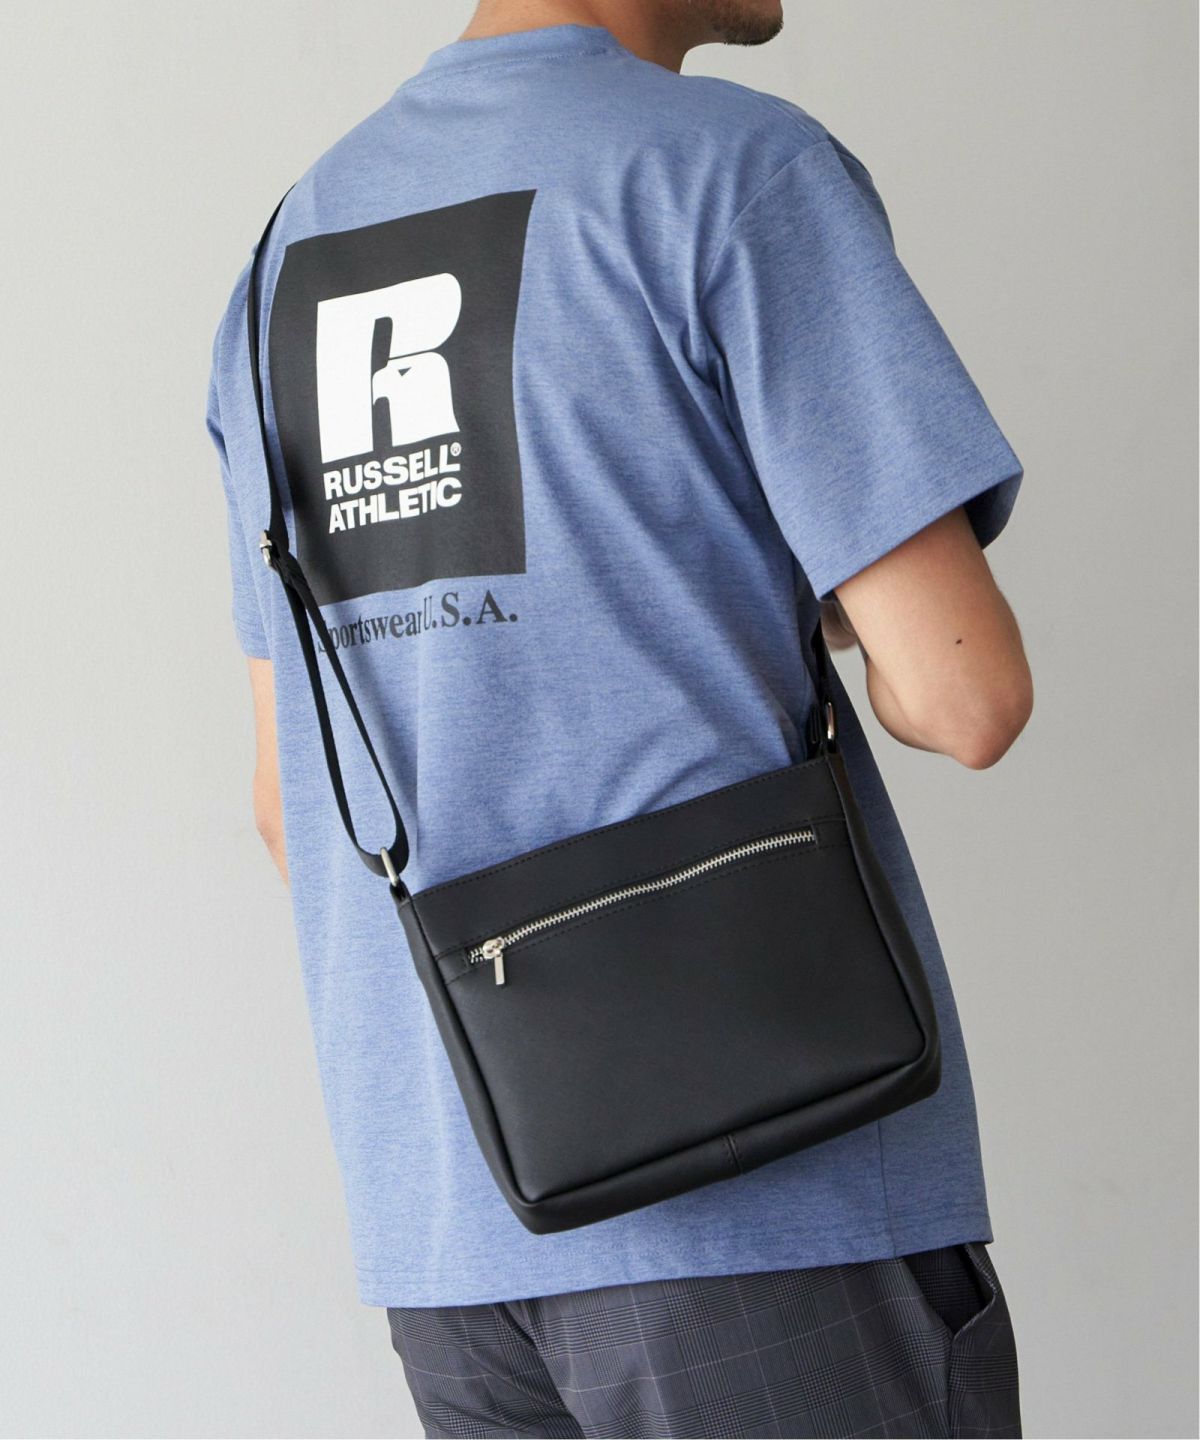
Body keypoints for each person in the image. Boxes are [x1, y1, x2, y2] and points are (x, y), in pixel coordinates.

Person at [206, 1, 1033, 1434]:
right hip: (765, 1198)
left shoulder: (285, 253)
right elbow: (964, 694)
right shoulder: (731, 171)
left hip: (458, 1238)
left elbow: (293, 805)